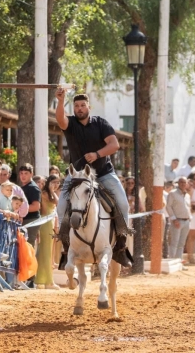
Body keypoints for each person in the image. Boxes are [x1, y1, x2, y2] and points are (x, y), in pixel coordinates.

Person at [54, 89, 133, 267]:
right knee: (61, 207)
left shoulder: (101, 123)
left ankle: (120, 246)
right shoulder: (71, 123)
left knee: (123, 202)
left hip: (103, 173)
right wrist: (60, 101)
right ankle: (67, 248)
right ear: (73, 108)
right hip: (77, 177)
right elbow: (60, 119)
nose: (80, 109)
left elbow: (114, 145)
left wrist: (97, 154)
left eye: (83, 105)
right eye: (76, 106)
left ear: (89, 107)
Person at [35, 175, 60, 289]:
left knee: (48, 252)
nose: (56, 185)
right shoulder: (45, 192)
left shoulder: (49, 192)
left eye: (58, 183)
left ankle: (43, 280)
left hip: (50, 222)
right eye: (54, 182)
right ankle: (48, 281)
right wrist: (51, 190)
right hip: (45, 223)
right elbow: (56, 201)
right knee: (46, 252)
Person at [166, 177, 191, 260]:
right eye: (181, 182)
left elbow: (188, 207)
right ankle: (172, 261)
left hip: (186, 221)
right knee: (174, 242)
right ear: (178, 183)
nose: (183, 184)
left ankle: (179, 261)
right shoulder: (173, 193)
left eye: (185, 182)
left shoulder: (187, 195)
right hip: (177, 220)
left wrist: (190, 218)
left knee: (181, 243)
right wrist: (174, 219)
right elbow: (168, 206)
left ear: (187, 183)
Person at [19, 164, 41, 249]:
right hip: (25, 220)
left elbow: (36, 206)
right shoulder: (24, 187)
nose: (23, 176)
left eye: (26, 173)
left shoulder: (33, 188)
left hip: (31, 220)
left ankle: (29, 263)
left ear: (31, 174)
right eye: (21, 173)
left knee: (28, 246)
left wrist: (19, 211)